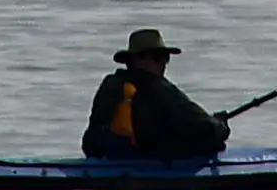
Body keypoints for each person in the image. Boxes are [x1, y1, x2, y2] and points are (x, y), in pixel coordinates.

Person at [82, 28, 229, 160]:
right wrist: (220, 125)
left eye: (166, 58)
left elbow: (89, 143)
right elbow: (206, 129)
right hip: (153, 169)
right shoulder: (159, 88)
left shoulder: (110, 85)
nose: (164, 64)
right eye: (160, 57)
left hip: (109, 165)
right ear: (138, 60)